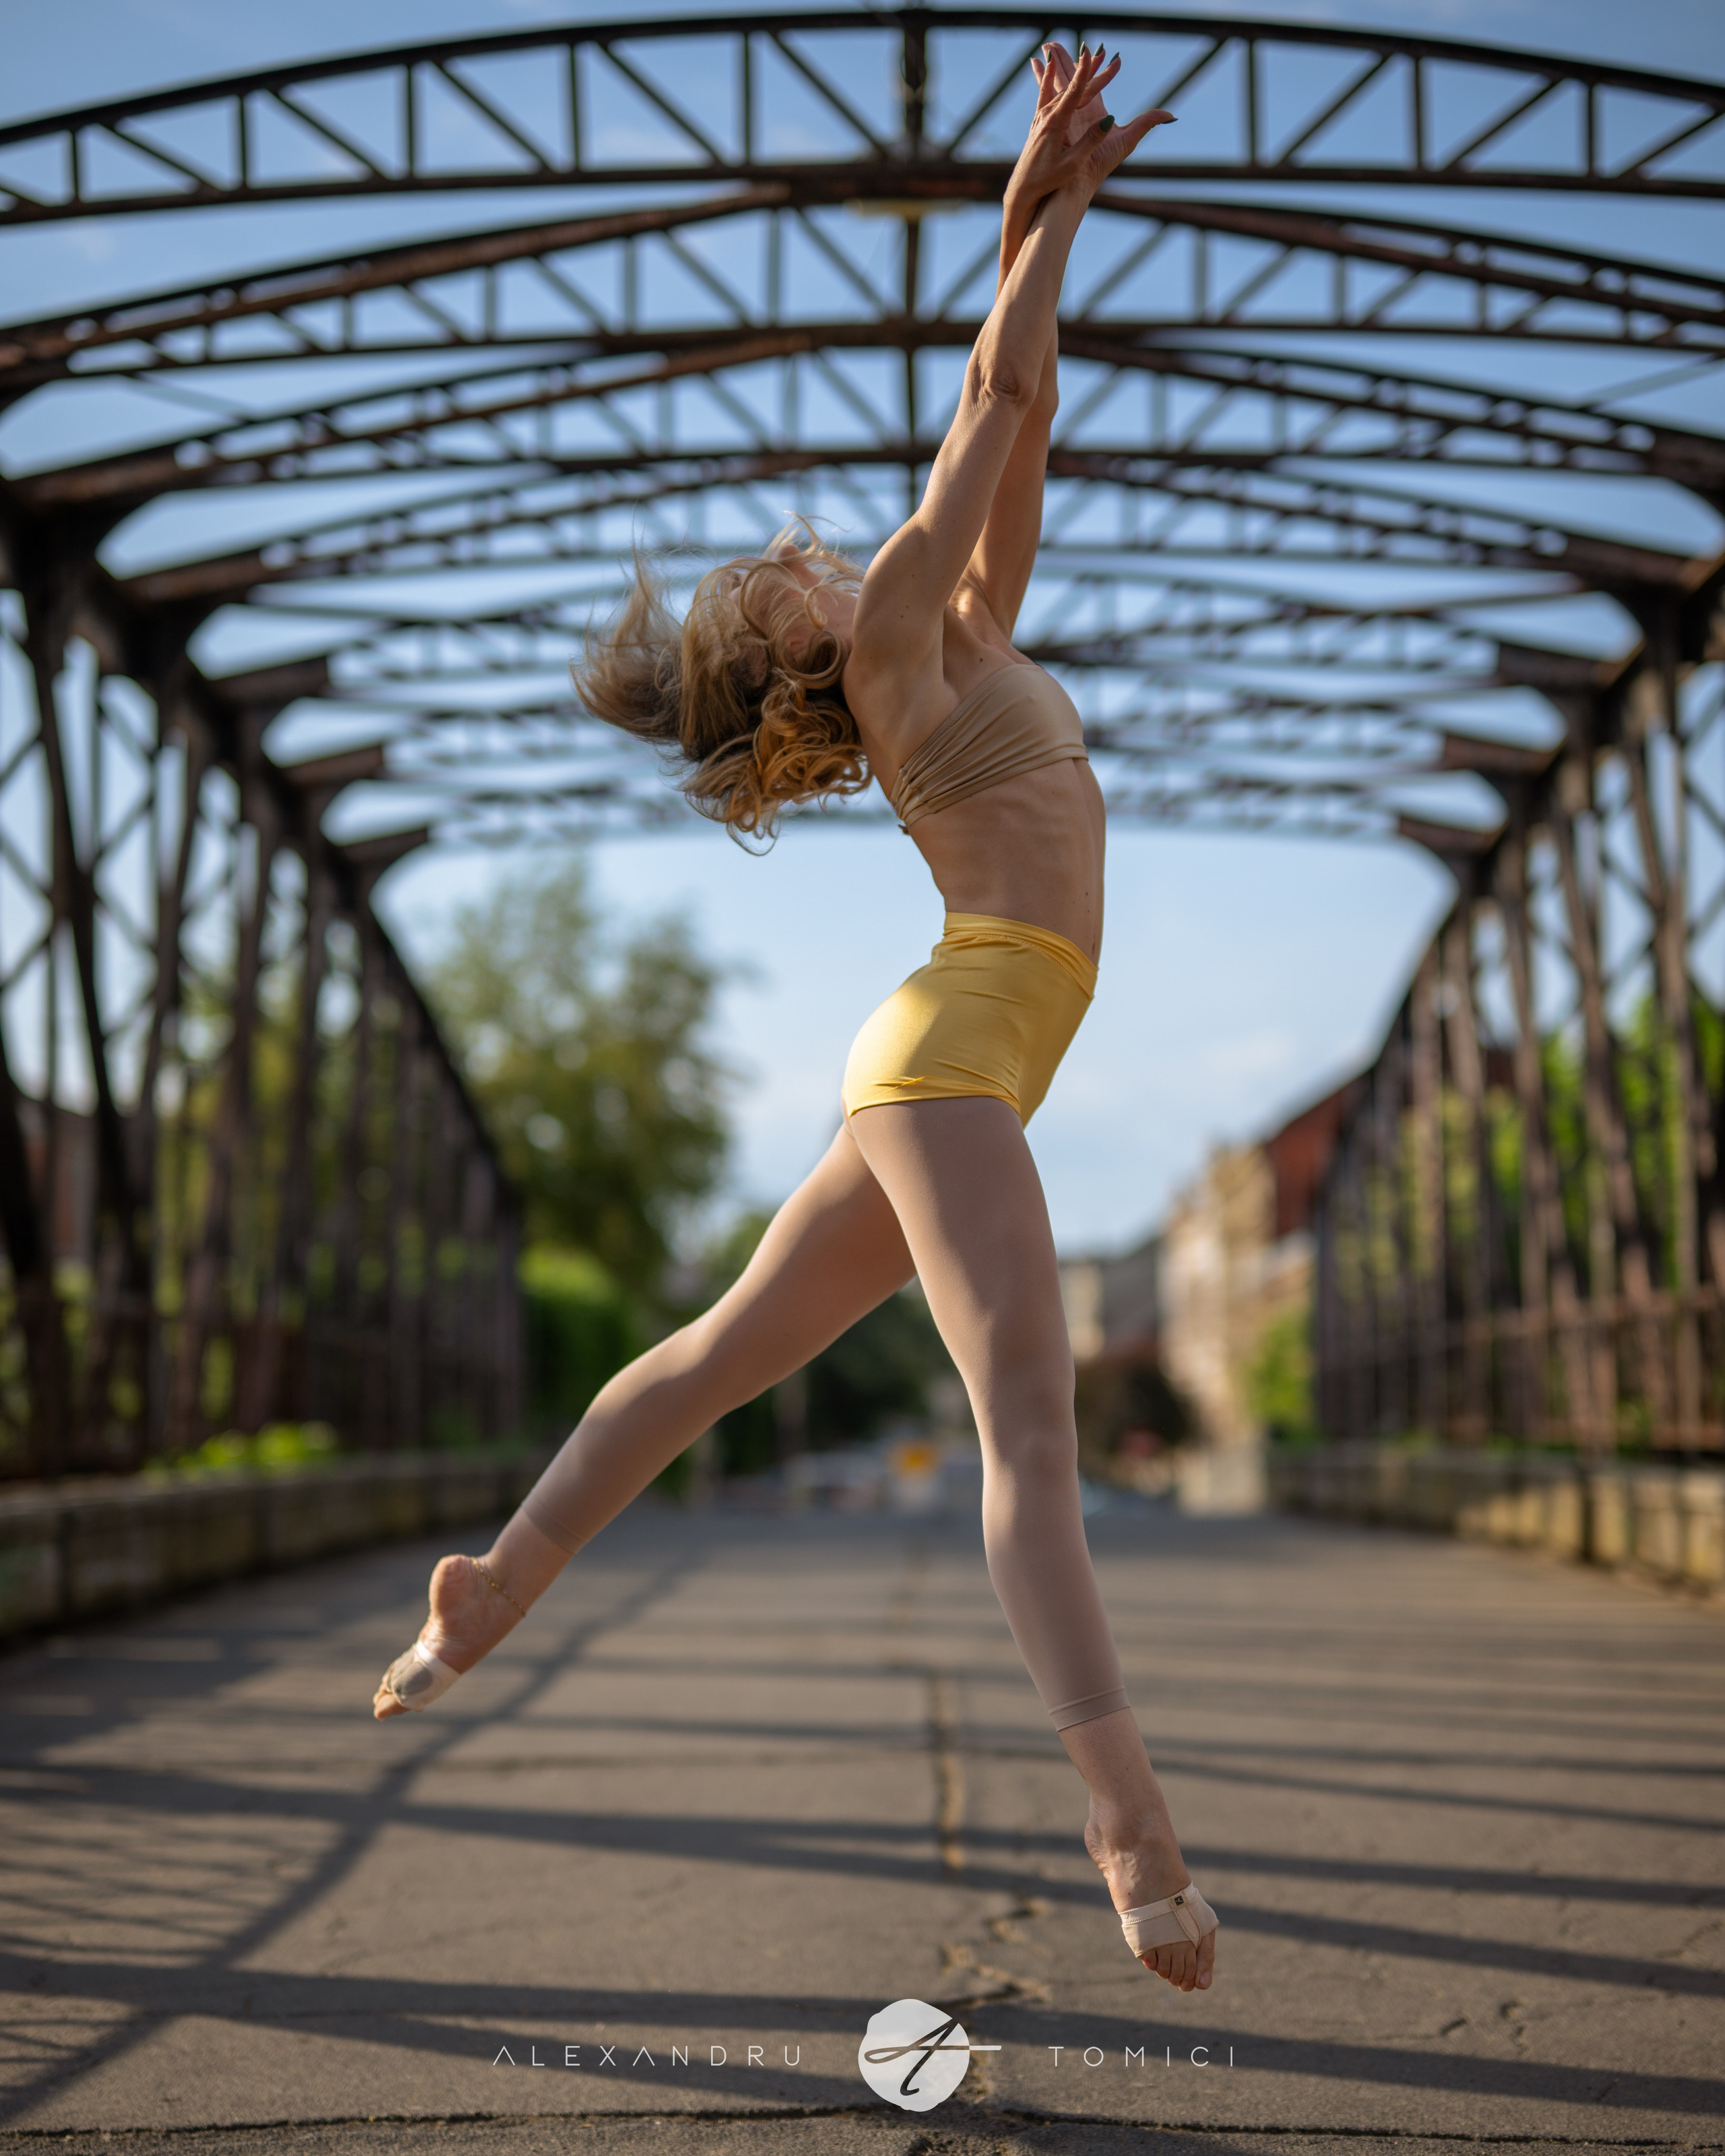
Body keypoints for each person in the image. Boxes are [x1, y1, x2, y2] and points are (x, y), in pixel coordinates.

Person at [375, 44, 1217, 1995]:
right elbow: (988, 398)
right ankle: (1124, 1814)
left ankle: (491, 1592)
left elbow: (1024, 406)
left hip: (950, 1055)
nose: (819, 544)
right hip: (950, 1055)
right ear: (805, 639)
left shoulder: (964, 621)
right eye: (794, 568)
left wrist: (1037, 205)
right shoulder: (912, 637)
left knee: (704, 1362)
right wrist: (1056, 213)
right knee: (1029, 1423)